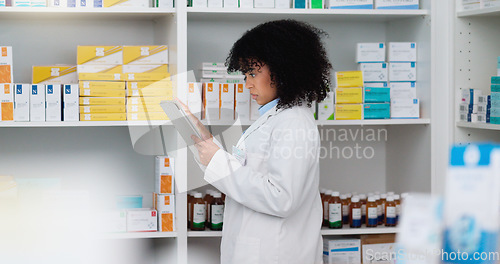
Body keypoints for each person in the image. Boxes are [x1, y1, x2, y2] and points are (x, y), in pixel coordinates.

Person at [180, 19, 332, 264]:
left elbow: (282, 198)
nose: (247, 83)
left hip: (277, 253)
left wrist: (219, 161)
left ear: (283, 70)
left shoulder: (294, 122)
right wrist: (208, 146)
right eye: (246, 74)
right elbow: (248, 173)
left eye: (253, 73)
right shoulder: (274, 117)